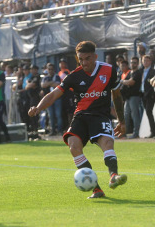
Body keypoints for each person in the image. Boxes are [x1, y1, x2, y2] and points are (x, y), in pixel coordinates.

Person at [29, 41, 127, 199]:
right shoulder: (74, 76)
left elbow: (117, 96)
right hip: (81, 116)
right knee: (74, 146)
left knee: (107, 144)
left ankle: (113, 175)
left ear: (95, 56)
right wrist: (38, 108)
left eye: (88, 58)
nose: (84, 62)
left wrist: (121, 121)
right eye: (81, 59)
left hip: (101, 115)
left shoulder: (109, 70)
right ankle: (96, 189)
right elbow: (54, 94)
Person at [120, 57, 142, 139]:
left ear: (138, 64)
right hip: (128, 97)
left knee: (134, 115)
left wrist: (122, 81)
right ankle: (123, 133)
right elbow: (126, 82)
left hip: (134, 96)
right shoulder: (130, 73)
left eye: (135, 62)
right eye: (132, 62)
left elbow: (131, 82)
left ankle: (136, 132)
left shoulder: (137, 73)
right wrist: (125, 82)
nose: (133, 64)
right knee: (126, 115)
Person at [41, 63, 63, 136]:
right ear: (47, 70)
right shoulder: (45, 78)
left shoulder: (57, 76)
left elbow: (58, 85)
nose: (50, 71)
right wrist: (52, 83)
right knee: (51, 115)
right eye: (49, 69)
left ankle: (60, 130)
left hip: (57, 98)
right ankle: (52, 130)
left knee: (58, 115)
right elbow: (43, 85)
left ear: (54, 70)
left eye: (52, 69)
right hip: (49, 99)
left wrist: (49, 83)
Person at [140, 55, 155, 138]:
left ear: (150, 62)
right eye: (144, 60)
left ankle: (153, 131)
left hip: (150, 95)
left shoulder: (153, 71)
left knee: (148, 111)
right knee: (147, 112)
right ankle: (152, 131)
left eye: (147, 60)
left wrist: (148, 93)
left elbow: (152, 85)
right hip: (142, 94)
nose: (145, 62)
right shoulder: (141, 71)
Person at [25, 64, 41, 140]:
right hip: (30, 98)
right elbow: (27, 86)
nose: (32, 70)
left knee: (35, 114)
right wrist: (29, 84)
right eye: (31, 69)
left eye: (34, 69)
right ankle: (33, 130)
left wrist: (29, 84)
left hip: (35, 98)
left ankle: (36, 131)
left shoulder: (37, 77)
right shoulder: (31, 77)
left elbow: (32, 85)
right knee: (31, 115)